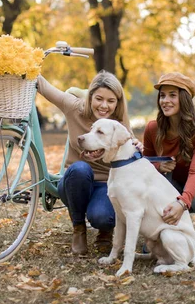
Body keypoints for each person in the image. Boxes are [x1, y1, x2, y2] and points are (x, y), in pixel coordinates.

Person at [37, 70, 132, 256]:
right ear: (90, 97)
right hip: (74, 183)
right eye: (99, 98)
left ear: (117, 103)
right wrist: (23, 63)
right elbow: (44, 86)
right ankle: (78, 228)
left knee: (102, 217)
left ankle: (106, 230)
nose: (104, 106)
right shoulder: (74, 108)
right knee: (80, 169)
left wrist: (136, 145)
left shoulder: (119, 122)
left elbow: (130, 145)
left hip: (106, 185)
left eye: (111, 101)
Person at [143, 72, 195, 255]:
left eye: (172, 95)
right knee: (157, 186)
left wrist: (182, 203)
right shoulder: (152, 129)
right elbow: (145, 164)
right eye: (162, 95)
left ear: (184, 99)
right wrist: (158, 166)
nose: (165, 100)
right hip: (174, 184)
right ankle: (157, 237)